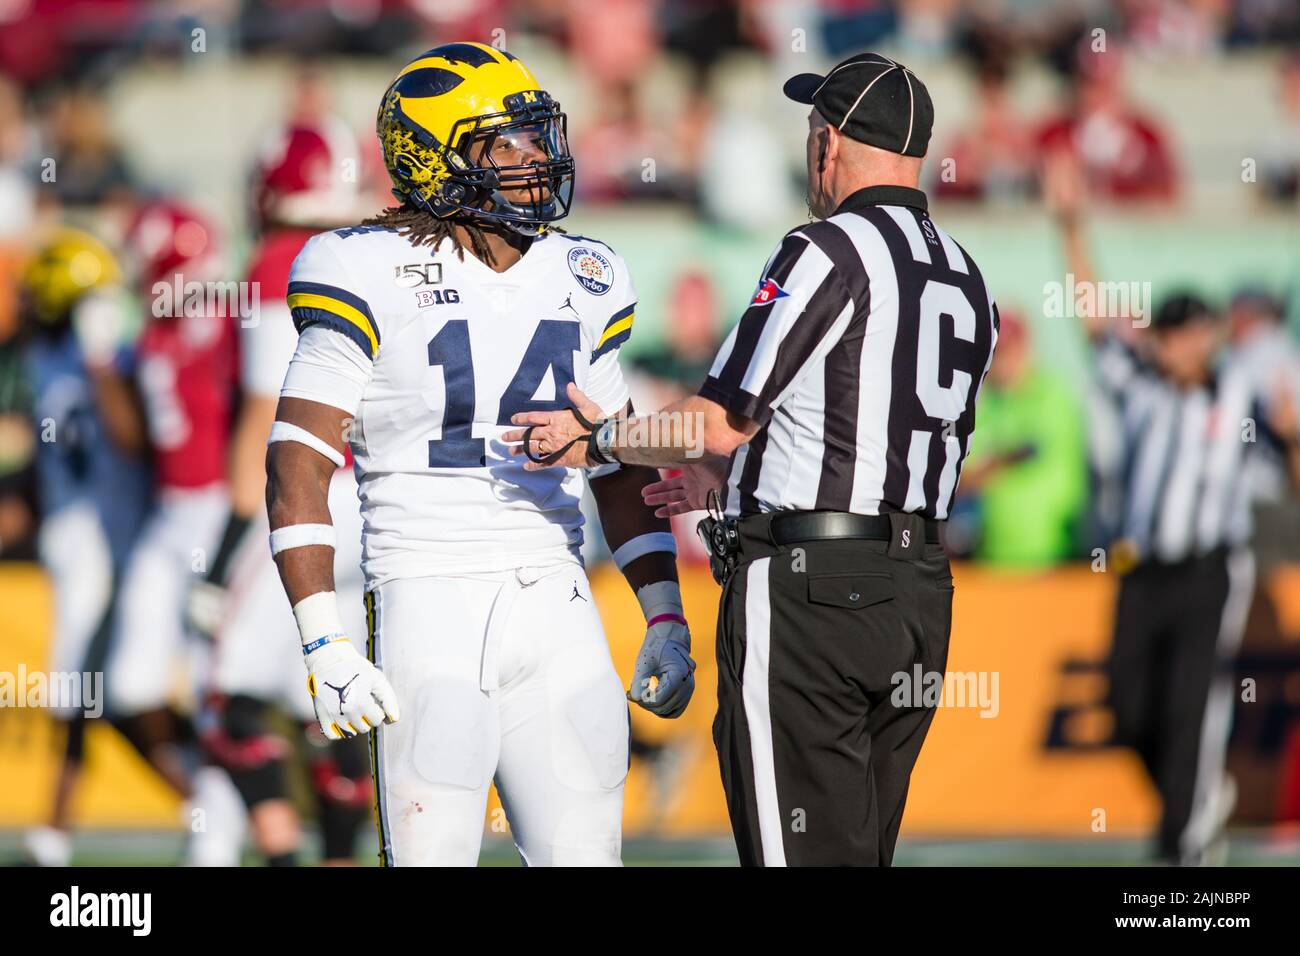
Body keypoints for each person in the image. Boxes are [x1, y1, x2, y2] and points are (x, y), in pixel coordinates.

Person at [508, 52, 1000, 867]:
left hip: (812, 590)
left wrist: (595, 439)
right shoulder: (966, 273)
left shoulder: (826, 249)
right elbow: (873, 430)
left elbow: (718, 422)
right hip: (918, 595)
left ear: (828, 143)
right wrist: (735, 476)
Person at [264, 42, 694, 866]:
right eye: (505, 143)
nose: (536, 160)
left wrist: (664, 612)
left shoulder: (588, 271)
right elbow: (297, 463)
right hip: (428, 599)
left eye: (538, 138)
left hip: (558, 600)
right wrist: (323, 640)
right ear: (432, 158)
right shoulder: (362, 265)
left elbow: (617, 460)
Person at [1052, 172, 1300, 865]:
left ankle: (1180, 853)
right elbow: (1093, 317)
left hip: (1209, 569)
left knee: (1193, 707)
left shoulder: (1240, 394)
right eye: (1165, 332)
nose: (1171, 345)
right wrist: (1070, 227)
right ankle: (1192, 801)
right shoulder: (1139, 385)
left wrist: (1292, 435)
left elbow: (1291, 475)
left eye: (1184, 333)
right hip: (1142, 568)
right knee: (1127, 707)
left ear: (1207, 337)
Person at [187, 114, 375, 867]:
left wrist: (228, 545)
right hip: (372, 502)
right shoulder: (370, 253)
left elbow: (270, 414)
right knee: (329, 701)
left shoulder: (280, 261)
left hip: (304, 499)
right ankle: (336, 858)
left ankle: (281, 854)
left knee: (227, 696)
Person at [99, 199, 247, 866]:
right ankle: (226, 807)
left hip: (218, 512)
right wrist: (104, 362)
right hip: (168, 515)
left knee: (212, 686)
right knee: (128, 686)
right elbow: (137, 440)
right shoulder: (153, 332)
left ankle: (218, 839)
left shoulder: (227, 319)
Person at [17, 227, 150, 866]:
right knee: (94, 693)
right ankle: (54, 828)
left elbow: (133, 439)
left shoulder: (109, 360)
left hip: (112, 544)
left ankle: (55, 826)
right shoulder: (44, 360)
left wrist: (103, 362)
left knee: (106, 692)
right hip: (81, 541)